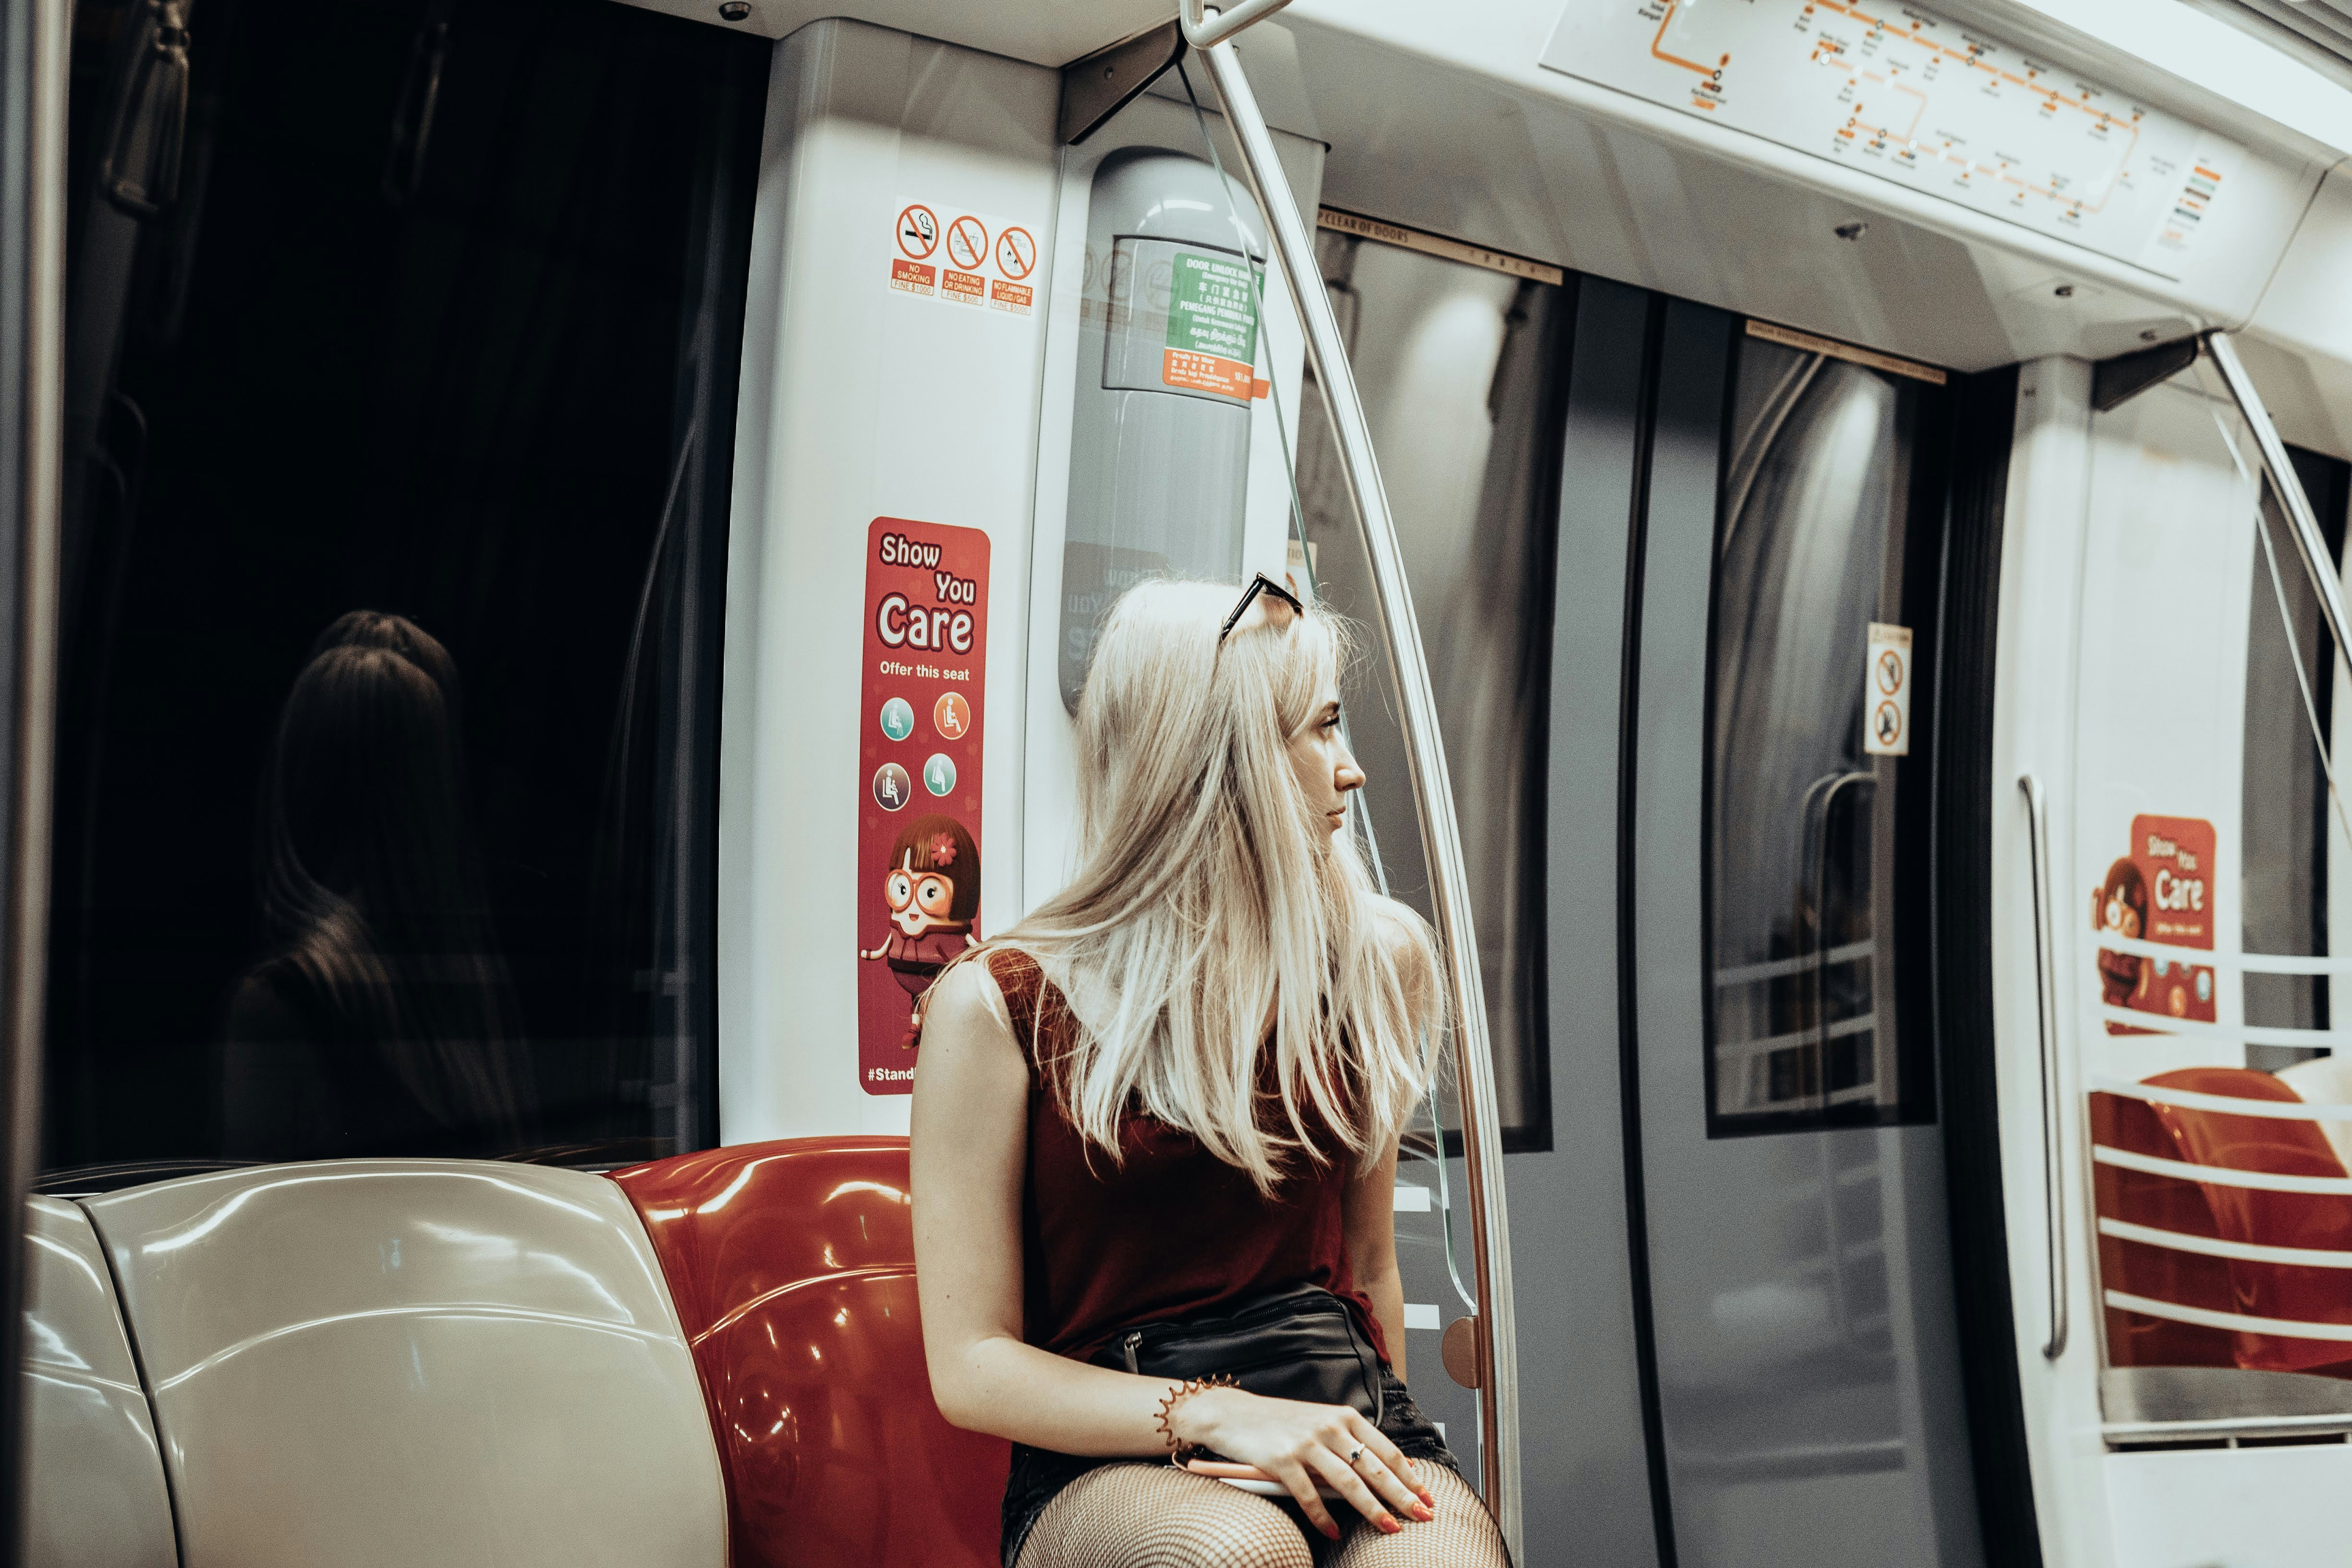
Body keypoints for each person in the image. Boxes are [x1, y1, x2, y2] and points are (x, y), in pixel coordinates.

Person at [911, 577, 1510, 1568]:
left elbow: (1368, 1267)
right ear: (1222, 761)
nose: (1351, 770)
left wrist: (1377, 1467)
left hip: (1336, 1406)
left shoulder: (1374, 962)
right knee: (1233, 1553)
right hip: (1114, 1450)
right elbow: (971, 1365)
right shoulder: (999, 1005)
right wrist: (1219, 1415)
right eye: (1320, 730)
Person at [222, 611, 531, 1159]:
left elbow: (263, 1227)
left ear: (300, 776)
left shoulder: (282, 1004)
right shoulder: (465, 988)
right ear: (437, 790)